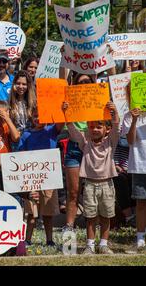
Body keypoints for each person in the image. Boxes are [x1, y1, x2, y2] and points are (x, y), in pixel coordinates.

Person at [63, 101, 119, 254]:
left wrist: (114, 113)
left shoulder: (110, 142)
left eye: (99, 126)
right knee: (91, 216)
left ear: (107, 129)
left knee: (106, 215)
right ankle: (90, 245)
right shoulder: (84, 142)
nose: (94, 129)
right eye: (92, 126)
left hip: (107, 184)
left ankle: (104, 244)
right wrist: (67, 114)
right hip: (89, 185)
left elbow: (117, 127)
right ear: (88, 127)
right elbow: (73, 130)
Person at [18, 109, 64, 247]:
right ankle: (28, 240)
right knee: (31, 213)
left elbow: (61, 123)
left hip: (49, 177)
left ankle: (49, 240)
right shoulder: (26, 134)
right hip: (31, 178)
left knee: (48, 213)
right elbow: (21, 155)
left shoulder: (51, 130)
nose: (38, 119)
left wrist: (61, 109)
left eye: (41, 115)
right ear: (31, 118)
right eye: (35, 116)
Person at [62, 72, 96, 231]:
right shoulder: (69, 101)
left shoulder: (98, 100)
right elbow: (62, 79)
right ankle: (69, 227)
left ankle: (93, 228)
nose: (84, 84)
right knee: (73, 191)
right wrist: (63, 58)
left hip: (93, 148)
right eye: (80, 82)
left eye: (87, 81)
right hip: (74, 147)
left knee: (92, 190)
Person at [122, 107, 146, 251]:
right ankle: (140, 238)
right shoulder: (128, 115)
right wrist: (135, 120)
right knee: (141, 203)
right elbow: (130, 141)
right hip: (139, 165)